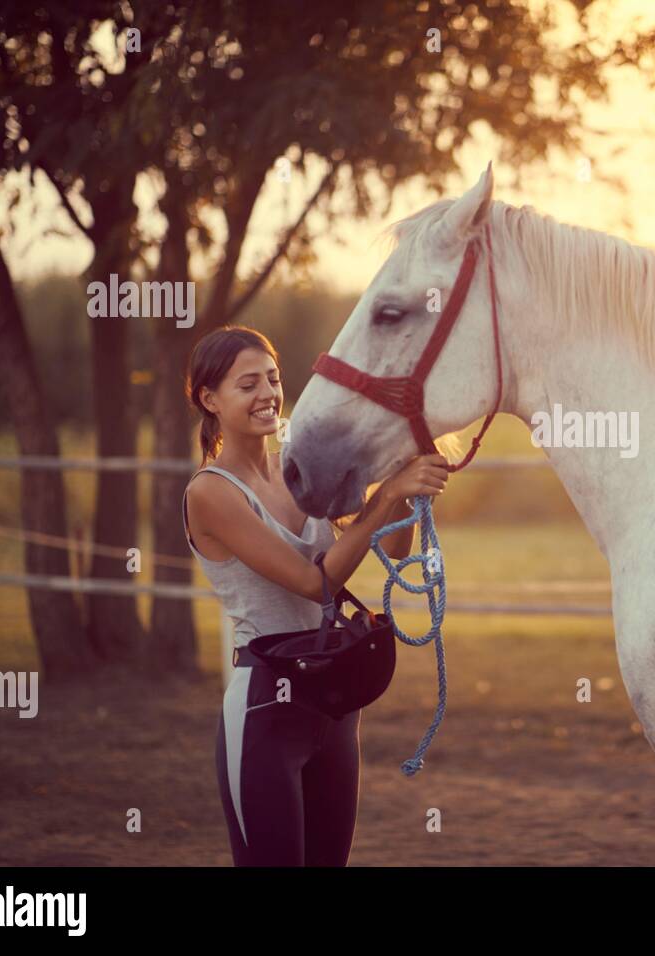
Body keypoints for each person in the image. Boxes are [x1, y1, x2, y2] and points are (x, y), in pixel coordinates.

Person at [182, 326, 451, 866]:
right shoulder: (211, 492)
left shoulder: (299, 472)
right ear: (210, 399)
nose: (268, 395)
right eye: (248, 384)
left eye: (274, 380)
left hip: (334, 709)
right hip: (266, 710)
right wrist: (389, 495)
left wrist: (407, 477)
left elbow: (391, 547)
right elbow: (315, 580)